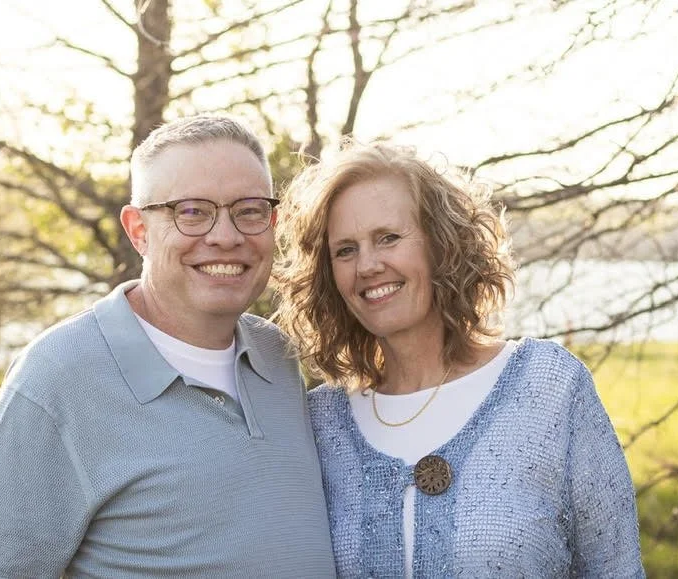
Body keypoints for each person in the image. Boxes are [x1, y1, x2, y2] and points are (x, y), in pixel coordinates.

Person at [0, 115, 336, 578]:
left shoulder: (279, 357)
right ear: (138, 230)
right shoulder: (58, 379)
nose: (226, 236)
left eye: (249, 210)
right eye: (192, 211)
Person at [274, 140, 644, 577]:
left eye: (388, 237)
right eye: (346, 250)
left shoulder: (549, 389)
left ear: (440, 243)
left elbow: (616, 568)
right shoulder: (321, 423)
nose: (368, 265)